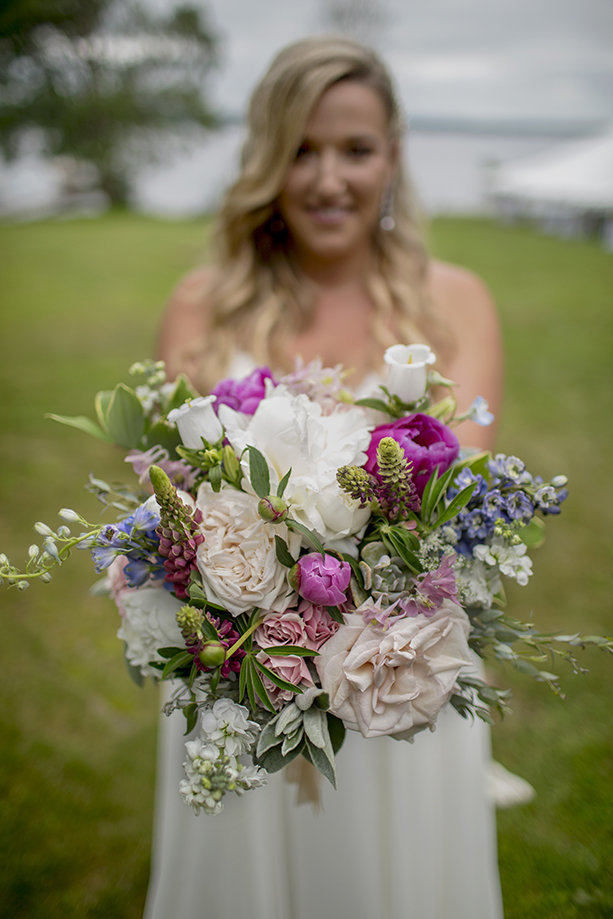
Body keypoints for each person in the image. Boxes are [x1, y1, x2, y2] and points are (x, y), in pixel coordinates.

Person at [146, 36, 505, 919]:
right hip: (240, 682)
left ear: (393, 155)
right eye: (300, 149)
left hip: (396, 676)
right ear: (266, 160)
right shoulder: (203, 305)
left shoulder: (453, 301)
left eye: (355, 148)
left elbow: (458, 498)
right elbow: (172, 498)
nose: (327, 179)